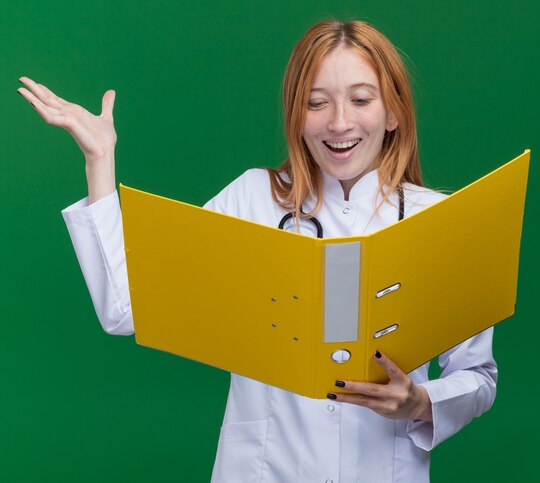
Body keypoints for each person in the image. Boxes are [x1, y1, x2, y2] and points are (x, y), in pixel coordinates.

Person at [18, 19, 497, 483]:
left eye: (361, 99)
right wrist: (100, 161)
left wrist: (420, 402)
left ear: (393, 112)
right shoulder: (252, 200)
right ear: (296, 113)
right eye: (316, 102)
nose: (339, 122)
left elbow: (477, 376)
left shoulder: (439, 220)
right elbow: (126, 307)